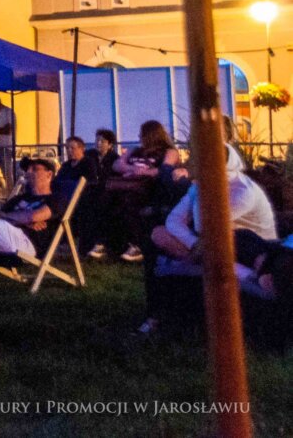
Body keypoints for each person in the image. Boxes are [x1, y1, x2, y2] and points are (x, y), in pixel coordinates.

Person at [138, 144, 278, 335]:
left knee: (224, 238)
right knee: (158, 233)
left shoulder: (243, 191)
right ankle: (155, 315)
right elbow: (174, 220)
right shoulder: (200, 186)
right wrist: (194, 244)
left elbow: (206, 224)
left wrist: (203, 190)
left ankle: (237, 272)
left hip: (245, 249)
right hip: (207, 244)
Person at [102, 120, 188, 262]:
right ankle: (107, 244)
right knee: (103, 197)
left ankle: (136, 246)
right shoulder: (134, 150)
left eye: (141, 134)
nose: (139, 137)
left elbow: (164, 170)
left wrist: (142, 172)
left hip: (150, 188)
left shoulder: (169, 152)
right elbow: (117, 164)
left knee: (129, 200)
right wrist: (133, 169)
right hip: (128, 184)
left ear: (150, 135)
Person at [0, 157, 66, 255]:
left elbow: (33, 216)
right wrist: (25, 222)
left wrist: (17, 219)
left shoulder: (56, 199)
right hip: (4, 236)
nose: (28, 172)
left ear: (49, 175)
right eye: (27, 169)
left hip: (27, 243)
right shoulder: (19, 198)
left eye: (34, 169)